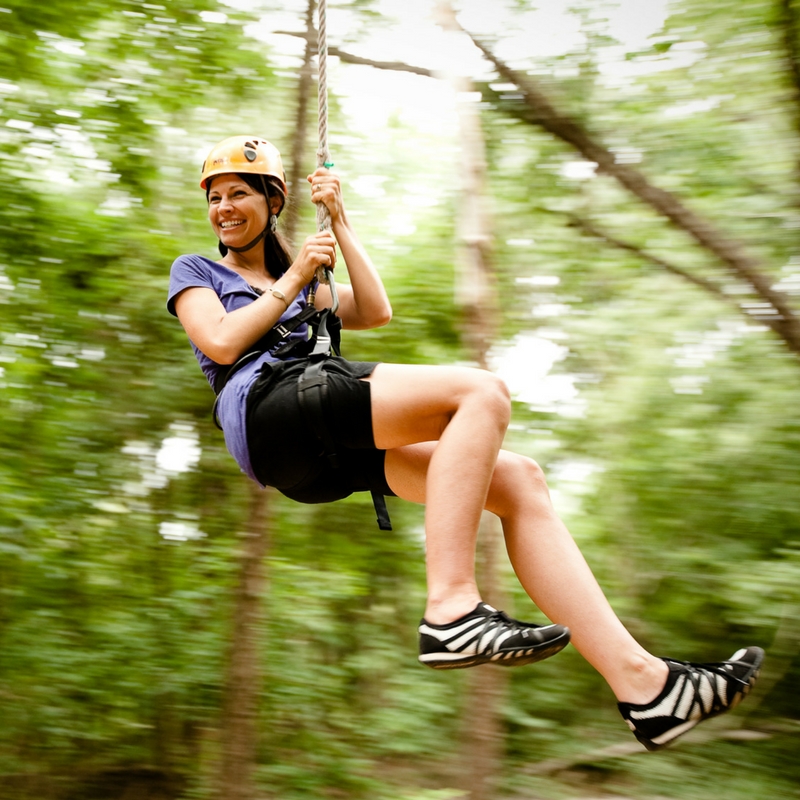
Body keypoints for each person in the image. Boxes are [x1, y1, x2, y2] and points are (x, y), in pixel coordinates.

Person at [168, 135, 764, 752]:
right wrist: (294, 276)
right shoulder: (199, 271)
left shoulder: (297, 282)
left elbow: (375, 309)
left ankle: (646, 688)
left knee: (520, 481)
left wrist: (339, 224)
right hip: (269, 410)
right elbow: (220, 342)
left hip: (316, 452)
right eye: (214, 198)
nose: (223, 208)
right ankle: (451, 608)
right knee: (480, 394)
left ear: (273, 199)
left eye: (239, 193)